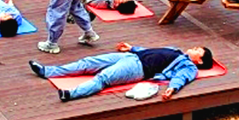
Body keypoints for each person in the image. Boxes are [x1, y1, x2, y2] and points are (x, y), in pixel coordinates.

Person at [28, 42, 215, 101]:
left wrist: (172, 89)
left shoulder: (189, 67)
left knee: (104, 77)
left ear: (199, 60)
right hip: (132, 57)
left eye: (199, 50)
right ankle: (47, 71)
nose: (195, 48)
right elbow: (151, 50)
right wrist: (131, 47)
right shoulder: (175, 50)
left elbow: (181, 78)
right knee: (88, 62)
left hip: (138, 68)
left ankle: (70, 94)